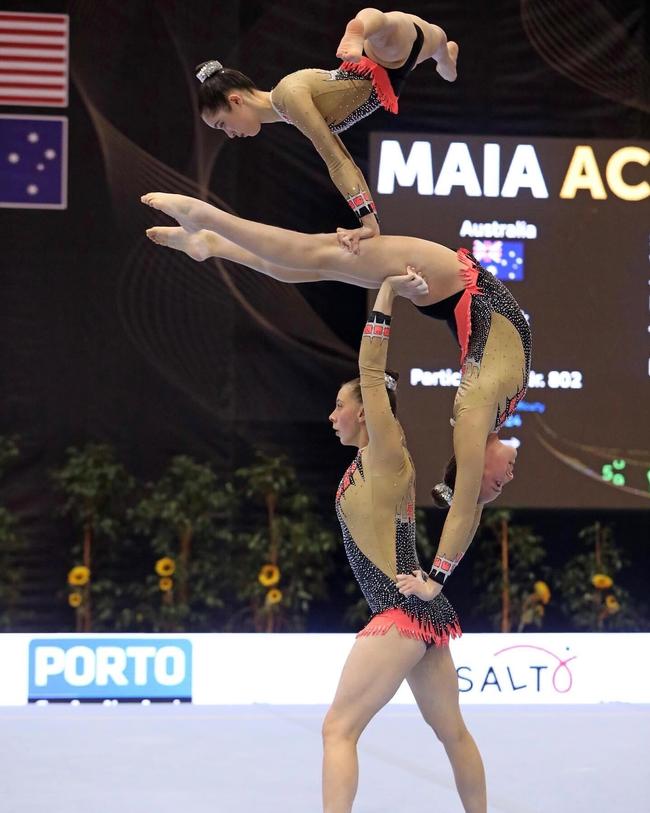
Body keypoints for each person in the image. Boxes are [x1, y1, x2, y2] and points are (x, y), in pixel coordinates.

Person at [141, 191, 529, 589]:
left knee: (315, 257)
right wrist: (469, 502)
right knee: (315, 263)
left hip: (453, 282)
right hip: (456, 288)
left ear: (474, 466)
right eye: (499, 485)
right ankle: (212, 242)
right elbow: (470, 506)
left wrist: (434, 581)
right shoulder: (492, 418)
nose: (509, 478)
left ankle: (208, 223)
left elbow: (464, 508)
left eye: (496, 483)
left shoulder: (475, 414)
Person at [323, 273, 485, 812]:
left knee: (337, 730)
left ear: (366, 411)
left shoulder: (385, 452)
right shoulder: (364, 465)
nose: (332, 415)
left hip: (398, 613)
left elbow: (372, 371)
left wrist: (386, 294)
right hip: (422, 613)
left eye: (339, 406)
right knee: (453, 734)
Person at [195, 8, 458, 251]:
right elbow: (343, 157)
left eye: (222, 124)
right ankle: (446, 57)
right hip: (397, 71)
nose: (228, 134)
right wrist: (370, 221)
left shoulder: (290, 96)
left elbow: (336, 160)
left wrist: (369, 224)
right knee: (440, 50)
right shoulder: (285, 112)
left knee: (383, 24)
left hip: (379, 57)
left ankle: (358, 31)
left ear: (236, 100)